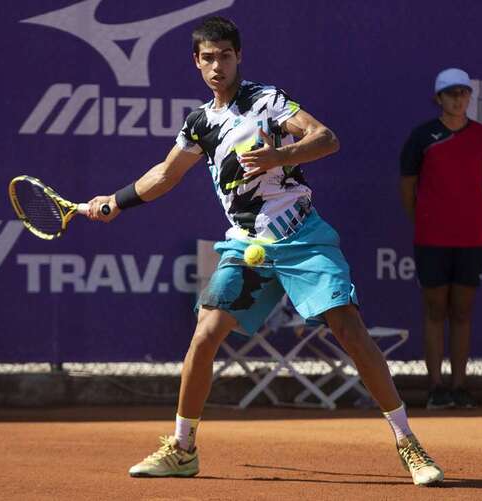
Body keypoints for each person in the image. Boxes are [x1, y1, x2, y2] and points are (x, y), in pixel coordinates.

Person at [88, 16, 443, 486]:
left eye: (225, 56)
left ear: (239, 57)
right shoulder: (199, 124)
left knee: (348, 327)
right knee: (205, 334)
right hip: (248, 244)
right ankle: (183, 448)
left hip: (302, 236)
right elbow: (166, 174)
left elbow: (326, 138)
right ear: (196, 62)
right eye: (208, 58)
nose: (217, 66)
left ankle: (407, 443)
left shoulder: (266, 100)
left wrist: (281, 156)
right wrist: (117, 201)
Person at [399, 68, 482, 410]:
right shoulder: (422, 137)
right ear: (438, 99)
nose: (458, 99)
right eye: (451, 93)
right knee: (434, 310)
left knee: (462, 312)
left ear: (469, 97)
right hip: (431, 239)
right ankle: (435, 388)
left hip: (470, 239)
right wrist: (429, 222)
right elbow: (408, 189)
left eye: (463, 93)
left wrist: (468, 216)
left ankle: (460, 386)